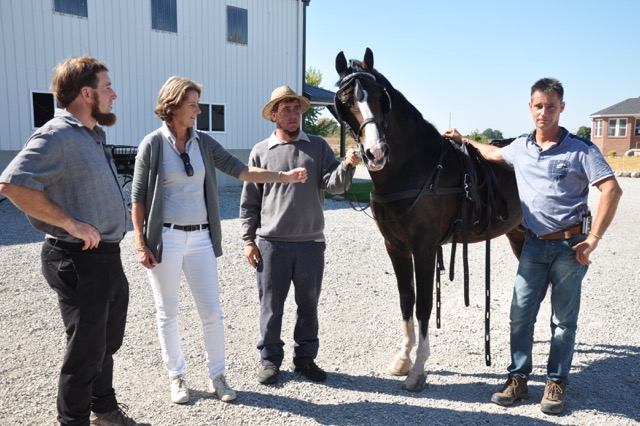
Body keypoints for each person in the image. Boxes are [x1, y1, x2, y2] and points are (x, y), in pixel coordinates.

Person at [443, 77, 623, 415]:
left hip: (571, 248)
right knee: (520, 316)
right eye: (539, 106)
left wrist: (594, 238)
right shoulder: (522, 147)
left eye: (551, 106)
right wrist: (464, 140)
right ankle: (518, 379)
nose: (544, 112)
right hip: (533, 246)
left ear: (562, 108)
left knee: (563, 321)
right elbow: (494, 153)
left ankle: (556, 382)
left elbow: (612, 190)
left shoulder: (581, 149)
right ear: (530, 108)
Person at [131, 77, 307, 405]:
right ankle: (177, 377)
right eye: (193, 104)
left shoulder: (205, 143)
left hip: (200, 238)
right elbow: (138, 197)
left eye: (198, 103)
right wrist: (141, 243)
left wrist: (282, 177)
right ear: (173, 107)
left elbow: (242, 171)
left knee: (211, 312)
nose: (198, 110)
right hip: (164, 239)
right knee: (167, 312)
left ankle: (218, 375)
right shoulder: (152, 144)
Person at [0, 57, 139, 425]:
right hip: (79, 259)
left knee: (105, 344)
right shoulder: (56, 135)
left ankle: (105, 411)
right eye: (107, 87)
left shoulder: (92, 134)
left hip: (107, 256)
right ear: (86, 93)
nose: (114, 95)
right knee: (85, 353)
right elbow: (12, 184)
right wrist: (71, 223)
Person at [240, 85, 361, 385]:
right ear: (274, 116)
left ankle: (305, 359)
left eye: (296, 109)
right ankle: (269, 361)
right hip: (271, 244)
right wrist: (248, 240)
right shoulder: (260, 151)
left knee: (308, 305)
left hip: (310, 243)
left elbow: (334, 184)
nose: (293, 115)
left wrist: (348, 164)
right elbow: (249, 202)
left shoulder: (318, 146)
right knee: (271, 305)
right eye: (286, 110)